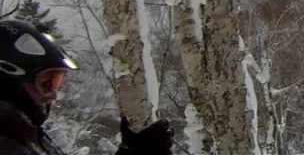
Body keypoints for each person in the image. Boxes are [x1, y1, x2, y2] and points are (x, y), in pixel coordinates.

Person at [0, 19, 174, 155]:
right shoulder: (7, 144)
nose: (53, 95)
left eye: (57, 82)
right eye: (46, 83)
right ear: (9, 80)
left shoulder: (26, 133)